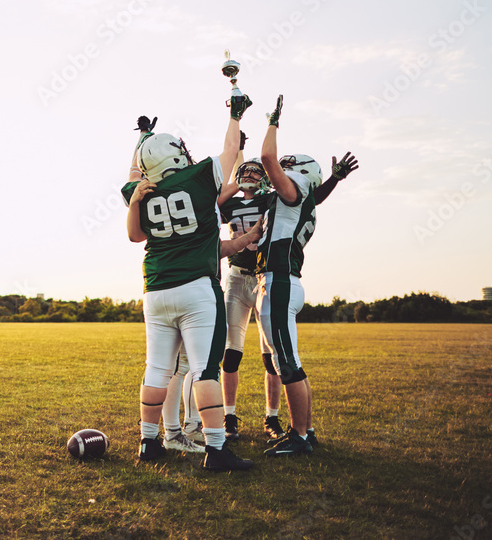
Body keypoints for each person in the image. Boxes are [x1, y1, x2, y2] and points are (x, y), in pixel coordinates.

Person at [121, 100, 256, 471]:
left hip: (156, 289)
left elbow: (134, 233)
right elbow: (231, 151)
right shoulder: (197, 178)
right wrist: (235, 113)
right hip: (196, 288)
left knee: (157, 369)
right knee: (204, 368)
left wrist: (142, 139)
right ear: (178, 155)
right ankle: (216, 450)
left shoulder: (140, 190)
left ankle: (149, 442)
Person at [216, 148, 358, 443]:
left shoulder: (273, 198)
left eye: (257, 172)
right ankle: (229, 416)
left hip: (265, 280)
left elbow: (310, 197)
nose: (252, 176)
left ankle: (273, 417)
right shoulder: (232, 204)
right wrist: (238, 155)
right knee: (232, 353)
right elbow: (211, 206)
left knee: (274, 358)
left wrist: (333, 180)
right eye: (246, 172)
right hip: (239, 278)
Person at [254, 94, 323, 457]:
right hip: (279, 282)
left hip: (279, 282)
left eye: (289, 166)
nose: (281, 170)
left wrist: (272, 121)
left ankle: (300, 437)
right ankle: (306, 431)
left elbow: (267, 159)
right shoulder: (300, 202)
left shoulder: (294, 192)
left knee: (287, 362)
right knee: (285, 359)